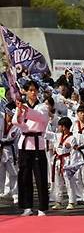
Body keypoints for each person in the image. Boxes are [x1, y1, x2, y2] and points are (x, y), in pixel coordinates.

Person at [13, 80, 50, 216]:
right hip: (24, 143)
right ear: (26, 92)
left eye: (35, 90)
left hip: (37, 143)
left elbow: (40, 118)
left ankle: (42, 208)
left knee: (40, 176)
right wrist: (20, 112)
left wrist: (26, 110)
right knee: (24, 176)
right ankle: (26, 206)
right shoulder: (20, 106)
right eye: (30, 90)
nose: (33, 92)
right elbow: (16, 122)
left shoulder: (42, 107)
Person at [46, 117, 79, 210]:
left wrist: (72, 166)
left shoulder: (73, 138)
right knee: (58, 183)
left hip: (67, 161)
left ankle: (72, 201)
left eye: (59, 126)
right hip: (57, 161)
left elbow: (74, 152)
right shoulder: (57, 136)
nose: (58, 127)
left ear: (64, 127)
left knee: (69, 182)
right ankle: (58, 201)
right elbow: (47, 134)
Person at [0, 104, 19, 204]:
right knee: (0, 172)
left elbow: (17, 141)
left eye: (13, 116)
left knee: (13, 173)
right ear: (6, 113)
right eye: (9, 115)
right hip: (0, 147)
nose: (10, 118)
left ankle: (15, 194)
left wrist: (17, 154)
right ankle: (1, 191)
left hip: (11, 150)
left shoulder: (16, 125)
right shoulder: (0, 121)